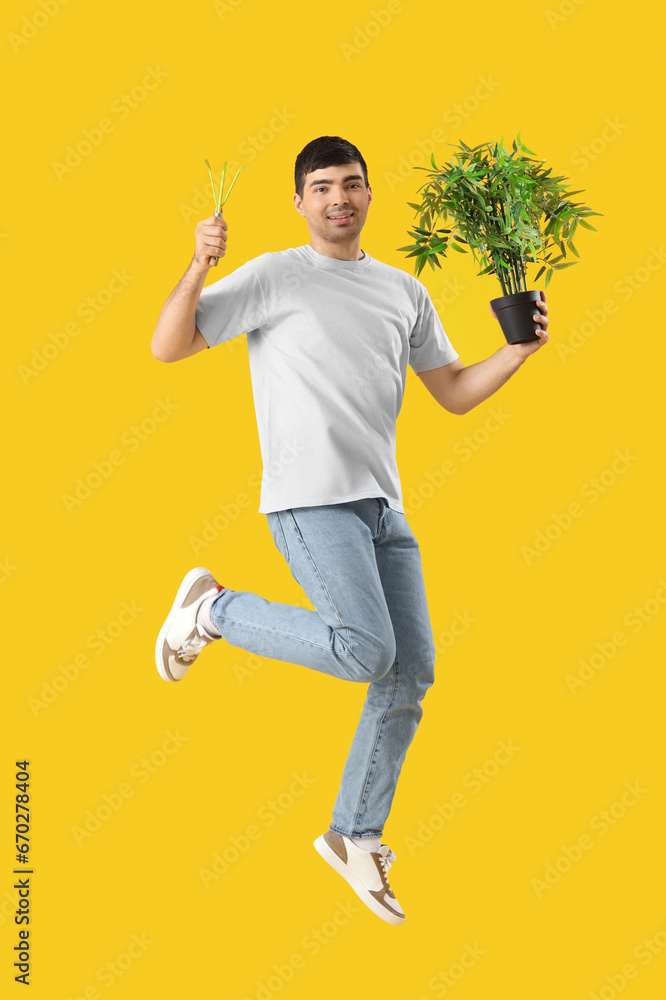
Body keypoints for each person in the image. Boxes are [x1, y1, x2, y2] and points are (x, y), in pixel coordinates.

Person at [151, 135, 550, 925]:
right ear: (300, 202)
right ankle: (212, 613)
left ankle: (354, 834)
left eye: (354, 184)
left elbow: (456, 392)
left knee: (409, 671)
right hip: (308, 498)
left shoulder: (403, 291)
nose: (340, 197)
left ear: (371, 196)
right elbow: (170, 346)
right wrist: (198, 264)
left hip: (382, 509)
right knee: (367, 648)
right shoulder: (273, 275)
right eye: (324, 186)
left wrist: (520, 349)